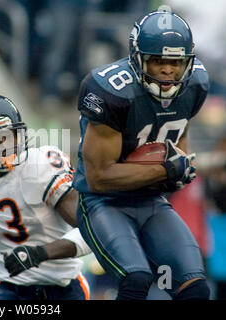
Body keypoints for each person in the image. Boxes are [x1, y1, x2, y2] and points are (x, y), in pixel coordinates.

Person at [73, 11, 210, 300]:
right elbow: (99, 178)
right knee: (136, 279)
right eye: (158, 60)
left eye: (175, 62)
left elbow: (178, 138)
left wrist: (177, 167)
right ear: (138, 58)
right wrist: (166, 170)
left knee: (195, 287)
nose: (168, 71)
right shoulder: (110, 90)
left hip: (151, 200)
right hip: (104, 203)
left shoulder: (196, 83)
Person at [0, 94, 91, 300]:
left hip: (63, 286)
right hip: (11, 287)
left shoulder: (40, 165)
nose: (5, 146)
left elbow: (92, 230)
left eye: (9, 136)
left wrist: (39, 254)